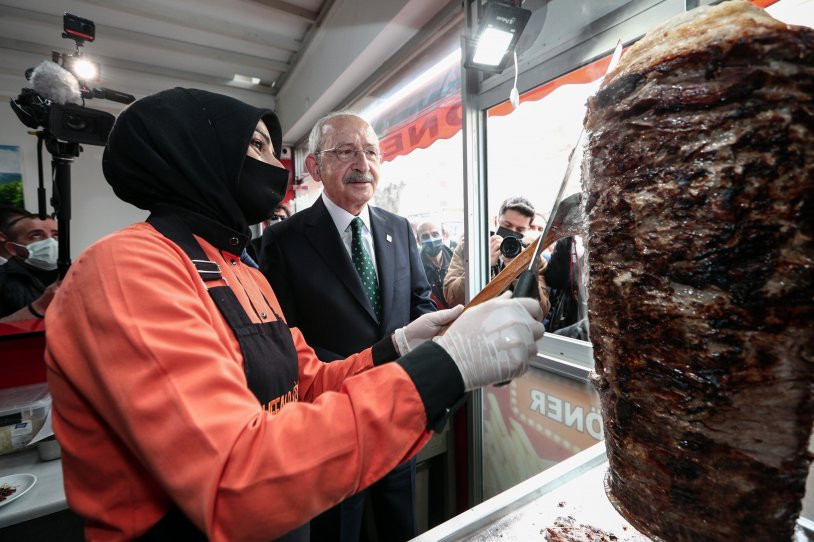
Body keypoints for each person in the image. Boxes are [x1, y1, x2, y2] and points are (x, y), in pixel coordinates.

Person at [44, 88, 546, 541]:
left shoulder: (239, 267)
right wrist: (444, 370)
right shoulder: (129, 268)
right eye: (258, 147)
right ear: (198, 152)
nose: (275, 167)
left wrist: (401, 349)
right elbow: (233, 482)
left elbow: (306, 383)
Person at [259, 111, 435, 542]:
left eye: (371, 151)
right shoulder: (283, 241)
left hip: (397, 413)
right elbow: (282, 341)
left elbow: (419, 301)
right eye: (346, 151)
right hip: (331, 425)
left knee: (401, 525)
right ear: (315, 167)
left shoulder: (400, 228)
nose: (363, 162)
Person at [444, 196, 550, 314]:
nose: (512, 232)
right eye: (507, 225)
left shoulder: (534, 258)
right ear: (496, 221)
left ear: (527, 230)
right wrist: (483, 266)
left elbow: (541, 311)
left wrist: (521, 272)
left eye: (520, 230)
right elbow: (452, 297)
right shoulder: (470, 248)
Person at [0, 213, 60, 320]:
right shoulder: (3, 280)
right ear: (12, 248)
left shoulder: (79, 273)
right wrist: (39, 306)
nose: (51, 242)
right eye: (36, 235)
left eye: (56, 235)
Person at [417, 220, 454, 310]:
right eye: (425, 236)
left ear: (444, 235)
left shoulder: (456, 262)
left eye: (435, 234)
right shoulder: (416, 269)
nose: (431, 239)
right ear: (418, 241)